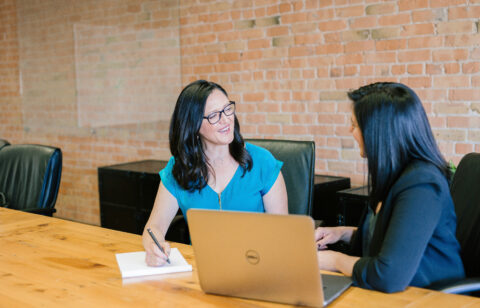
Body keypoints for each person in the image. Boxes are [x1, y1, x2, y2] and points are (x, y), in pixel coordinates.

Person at [315, 82, 465, 293]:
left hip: (430, 296)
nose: (350, 131)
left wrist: (334, 260)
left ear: (378, 132)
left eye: (354, 124)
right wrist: (342, 233)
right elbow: (391, 237)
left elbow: (387, 275)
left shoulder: (422, 185)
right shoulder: (395, 174)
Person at [143, 80, 288, 266]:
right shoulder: (178, 169)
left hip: (256, 266)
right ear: (193, 125)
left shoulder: (262, 163)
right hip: (201, 270)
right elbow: (154, 226)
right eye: (214, 115)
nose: (226, 119)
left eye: (228, 109)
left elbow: (283, 234)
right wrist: (153, 248)